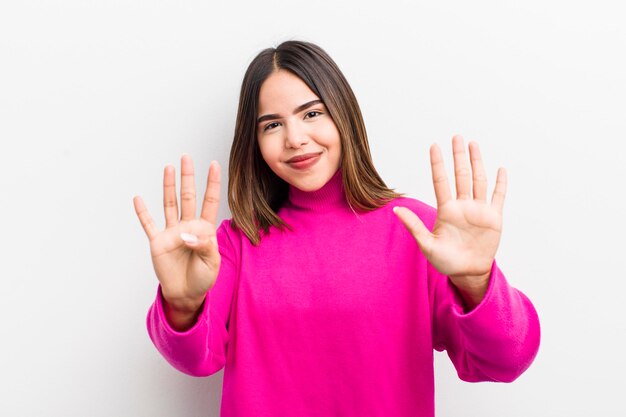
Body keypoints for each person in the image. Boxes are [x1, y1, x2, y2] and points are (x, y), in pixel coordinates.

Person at [133, 40, 540, 417]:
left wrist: (476, 280)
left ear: (343, 116)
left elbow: (505, 361)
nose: (295, 138)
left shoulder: (418, 231)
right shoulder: (234, 244)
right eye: (272, 125)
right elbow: (195, 360)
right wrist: (182, 305)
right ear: (254, 142)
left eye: (312, 113)